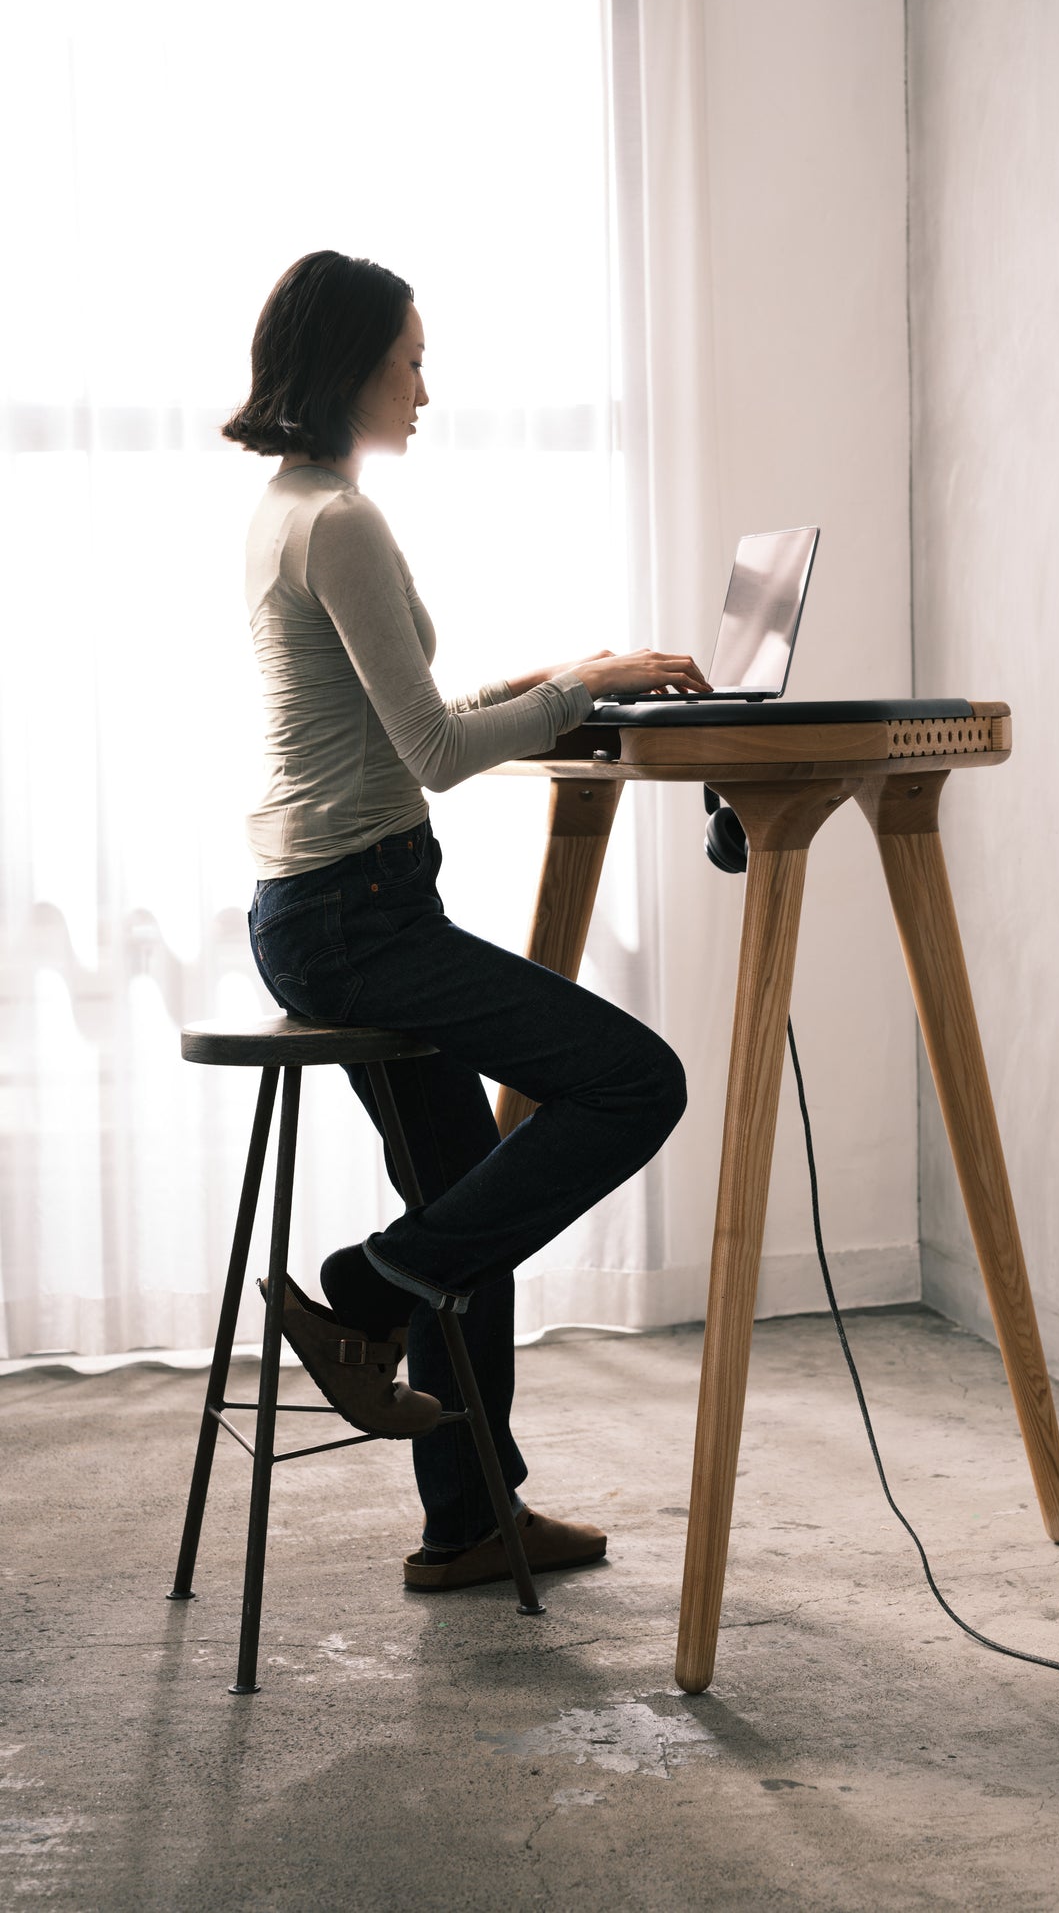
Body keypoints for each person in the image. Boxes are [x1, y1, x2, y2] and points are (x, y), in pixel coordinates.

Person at [222, 250, 708, 1591]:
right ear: (352, 366)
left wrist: (571, 677)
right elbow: (433, 753)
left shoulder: (294, 506)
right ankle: (371, 1292)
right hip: (357, 914)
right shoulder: (341, 522)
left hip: (321, 903)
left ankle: (470, 1519)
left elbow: (396, 722)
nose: (427, 386)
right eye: (411, 360)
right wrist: (575, 695)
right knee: (632, 1082)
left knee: (464, 1206)